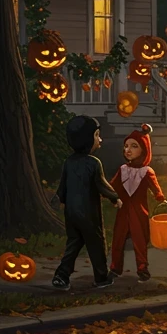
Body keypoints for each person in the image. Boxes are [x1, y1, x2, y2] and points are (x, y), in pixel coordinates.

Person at [52, 116, 123, 290]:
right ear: (87, 139)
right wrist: (115, 197)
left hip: (71, 213)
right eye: (97, 135)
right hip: (89, 213)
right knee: (96, 243)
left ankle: (62, 275)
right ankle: (101, 277)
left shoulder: (69, 162)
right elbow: (101, 184)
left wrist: (57, 199)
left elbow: (63, 186)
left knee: (74, 243)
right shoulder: (93, 163)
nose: (100, 139)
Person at [109, 124, 166, 282]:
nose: (128, 150)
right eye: (126, 146)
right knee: (118, 239)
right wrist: (110, 195)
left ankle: (142, 267)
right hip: (123, 210)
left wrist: (160, 198)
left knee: (139, 239)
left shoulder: (146, 171)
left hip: (139, 211)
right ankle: (115, 267)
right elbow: (113, 186)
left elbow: (156, 188)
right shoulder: (123, 169)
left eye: (134, 146)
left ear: (144, 149)